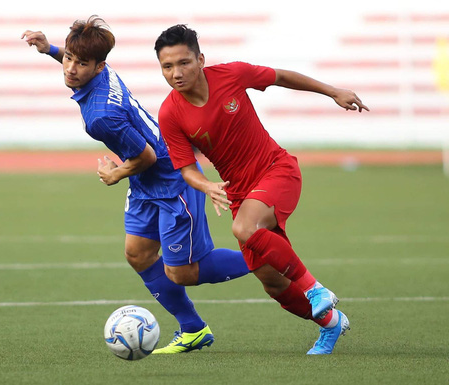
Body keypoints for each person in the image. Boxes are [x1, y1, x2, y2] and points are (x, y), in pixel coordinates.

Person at [21, 16, 250, 354]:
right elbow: (77, 61)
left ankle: (265, 256)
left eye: (80, 63)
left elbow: (146, 157)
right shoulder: (102, 71)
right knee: (138, 255)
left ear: (98, 68)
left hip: (171, 177)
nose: (70, 68)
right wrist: (49, 49)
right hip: (146, 183)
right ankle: (193, 329)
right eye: (68, 58)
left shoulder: (101, 117)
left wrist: (115, 174)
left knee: (183, 271)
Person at [154, 24, 369, 355]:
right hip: (239, 193)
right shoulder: (170, 113)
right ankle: (330, 324)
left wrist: (332, 91)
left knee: (243, 228)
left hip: (276, 170)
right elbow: (185, 169)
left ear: (200, 59)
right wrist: (207, 185)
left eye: (183, 63)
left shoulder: (232, 75)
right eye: (167, 66)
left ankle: (315, 289)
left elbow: (281, 76)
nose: (176, 73)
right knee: (272, 282)